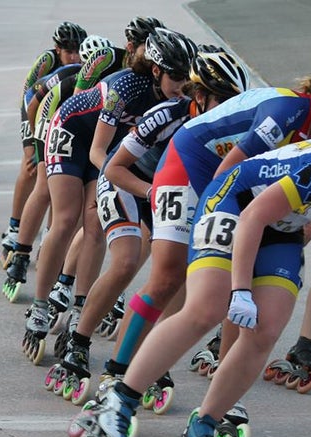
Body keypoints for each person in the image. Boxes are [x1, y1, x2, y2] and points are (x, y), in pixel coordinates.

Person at [71, 52, 311, 437]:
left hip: (265, 203)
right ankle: (118, 389)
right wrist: (237, 279)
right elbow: (227, 179)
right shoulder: (289, 112)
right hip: (199, 164)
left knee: (265, 325)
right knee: (188, 291)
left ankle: (210, 415)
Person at [51, 50, 249, 407]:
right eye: (224, 100)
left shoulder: (234, 126)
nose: (231, 109)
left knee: (179, 277)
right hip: (130, 183)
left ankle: (151, 354)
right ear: (199, 96)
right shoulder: (166, 116)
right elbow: (113, 168)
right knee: (127, 264)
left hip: (176, 193)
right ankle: (78, 342)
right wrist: (150, 193)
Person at [20, 28, 197, 365]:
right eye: (175, 77)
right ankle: (40, 305)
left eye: (185, 79)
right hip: (73, 132)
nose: (181, 86)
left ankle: (81, 309)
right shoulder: (126, 86)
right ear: (156, 70)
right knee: (68, 218)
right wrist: (116, 186)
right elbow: (98, 153)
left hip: (111, 147)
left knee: (96, 224)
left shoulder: (175, 97)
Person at [0, 21, 87, 257]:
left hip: (60, 114)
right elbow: (27, 97)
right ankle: (14, 226)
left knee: (56, 182)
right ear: (57, 49)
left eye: (79, 51)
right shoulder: (47, 61)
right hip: (36, 109)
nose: (75, 57)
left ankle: (48, 236)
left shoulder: (85, 66)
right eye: (69, 51)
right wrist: (31, 141)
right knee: (31, 168)